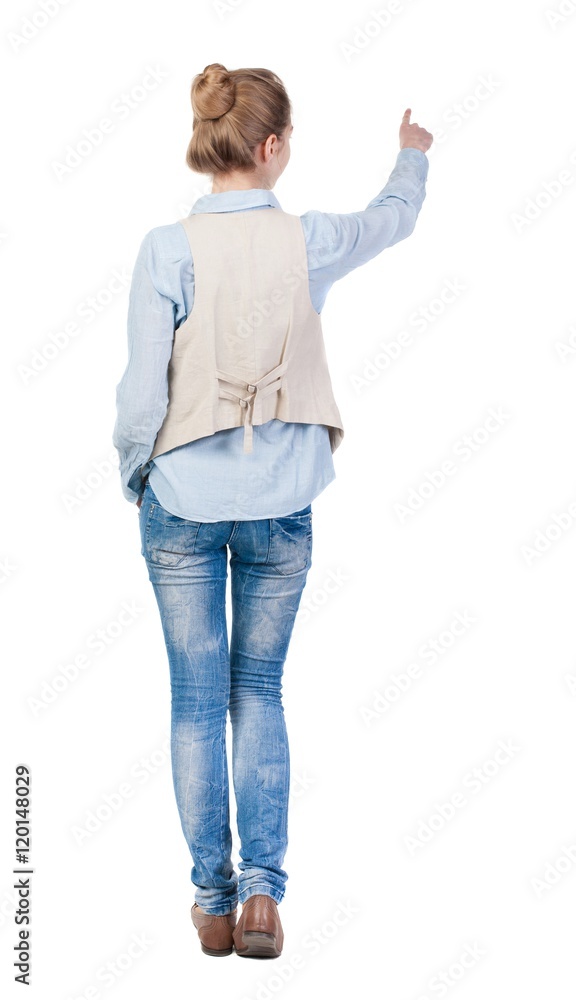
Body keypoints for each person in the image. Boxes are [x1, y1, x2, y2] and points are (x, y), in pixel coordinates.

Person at [112, 62, 433, 960]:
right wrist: (410, 156)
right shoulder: (310, 239)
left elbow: (142, 393)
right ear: (273, 146)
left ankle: (211, 903)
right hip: (283, 501)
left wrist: (140, 473)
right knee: (259, 691)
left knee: (193, 698)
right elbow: (395, 221)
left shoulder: (163, 248)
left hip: (182, 498)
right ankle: (262, 898)